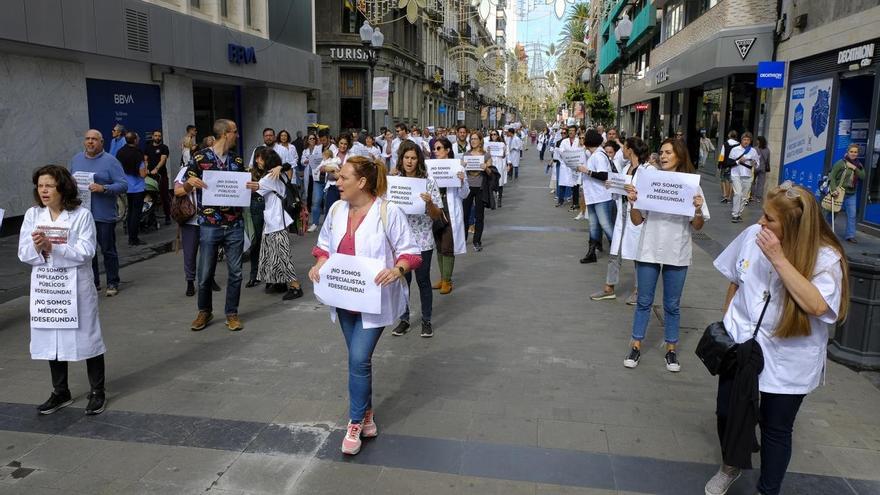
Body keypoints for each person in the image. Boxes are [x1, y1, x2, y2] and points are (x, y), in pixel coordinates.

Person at [704, 181, 848, 495]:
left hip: (788, 360)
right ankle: (731, 466)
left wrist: (779, 259)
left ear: (795, 226)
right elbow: (735, 280)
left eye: (769, 219)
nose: (760, 223)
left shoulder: (825, 258)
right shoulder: (750, 237)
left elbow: (818, 306)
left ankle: (767, 490)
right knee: (727, 413)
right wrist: (728, 325)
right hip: (741, 347)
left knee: (775, 428)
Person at [308, 155, 421, 456]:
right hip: (344, 299)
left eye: (343, 177)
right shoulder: (335, 209)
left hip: (375, 301)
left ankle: (355, 422)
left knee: (358, 359)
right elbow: (323, 246)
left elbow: (411, 253)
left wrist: (397, 270)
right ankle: (367, 413)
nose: (337, 182)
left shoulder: (388, 211)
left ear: (362, 182)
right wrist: (319, 264)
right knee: (359, 361)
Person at [18, 165, 108, 415]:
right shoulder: (33, 215)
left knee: (88, 337)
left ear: (63, 187)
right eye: (40, 186)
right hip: (48, 288)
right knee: (51, 337)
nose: (44, 190)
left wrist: (53, 247)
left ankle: (97, 391)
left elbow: (87, 251)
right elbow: (23, 253)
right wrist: (39, 248)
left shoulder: (81, 215)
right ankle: (60, 391)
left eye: (49, 185)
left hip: (76, 287)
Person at [624, 138, 709, 372]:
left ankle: (671, 350)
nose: (662, 156)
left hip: (677, 250)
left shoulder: (692, 185)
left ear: (680, 156)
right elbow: (637, 220)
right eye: (661, 152)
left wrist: (698, 208)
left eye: (668, 152)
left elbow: (698, 225)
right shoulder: (648, 180)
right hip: (649, 248)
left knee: (672, 304)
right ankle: (636, 345)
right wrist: (633, 203)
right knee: (644, 301)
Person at [185, 119, 260, 332]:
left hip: (234, 223)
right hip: (209, 223)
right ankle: (204, 311)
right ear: (226, 133)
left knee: (236, 272)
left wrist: (251, 187)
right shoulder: (200, 158)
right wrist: (192, 183)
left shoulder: (236, 160)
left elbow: (242, 187)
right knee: (206, 272)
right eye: (235, 131)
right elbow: (183, 188)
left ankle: (231, 313)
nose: (237, 135)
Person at [388, 141, 443, 338]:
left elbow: (437, 215)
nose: (410, 162)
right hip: (400, 241)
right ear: (401, 160)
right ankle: (404, 319)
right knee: (402, 281)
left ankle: (426, 320)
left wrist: (429, 203)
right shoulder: (394, 181)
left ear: (418, 160)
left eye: (413, 158)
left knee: (423, 280)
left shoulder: (428, 183)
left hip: (423, 240)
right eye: (406, 158)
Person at [590, 137, 651, 304]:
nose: (621, 151)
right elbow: (619, 191)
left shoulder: (648, 170)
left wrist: (633, 191)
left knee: (638, 254)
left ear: (630, 149)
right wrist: (614, 186)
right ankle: (609, 288)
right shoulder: (625, 169)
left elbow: (650, 195)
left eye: (623, 147)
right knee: (614, 251)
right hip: (622, 213)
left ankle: (639, 291)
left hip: (638, 216)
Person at [70, 129, 128, 297]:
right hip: (81, 215)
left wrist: (104, 188)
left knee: (107, 249)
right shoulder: (76, 159)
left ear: (101, 142)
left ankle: (112, 281)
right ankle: (92, 283)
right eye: (87, 139)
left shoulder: (111, 161)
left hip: (103, 214)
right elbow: (67, 181)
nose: (90, 142)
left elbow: (123, 185)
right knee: (88, 251)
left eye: (94, 139)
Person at [254, 148, 304, 300]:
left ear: (267, 160)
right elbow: (289, 166)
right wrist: (281, 166)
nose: (257, 161)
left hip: (276, 220)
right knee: (271, 253)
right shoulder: (278, 173)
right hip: (276, 219)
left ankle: (295, 286)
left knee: (281, 254)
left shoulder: (268, 178)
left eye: (260, 158)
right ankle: (279, 281)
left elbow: (255, 189)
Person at [430, 137, 469, 294]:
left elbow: (465, 194)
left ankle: (447, 280)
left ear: (447, 150)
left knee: (447, 246)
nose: (436, 151)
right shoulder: (430, 168)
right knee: (439, 246)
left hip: (450, 210)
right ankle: (442, 277)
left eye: (439, 148)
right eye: (434, 149)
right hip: (436, 210)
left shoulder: (457, 167)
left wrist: (461, 181)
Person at [578, 130, 614, 264]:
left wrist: (586, 171)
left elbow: (604, 175)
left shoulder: (599, 155)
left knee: (606, 225)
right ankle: (591, 252)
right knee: (593, 224)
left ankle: (617, 250)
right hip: (593, 196)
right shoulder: (594, 154)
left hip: (601, 196)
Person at [825, 143, 865, 244]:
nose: (853, 154)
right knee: (833, 213)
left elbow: (863, 176)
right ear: (847, 152)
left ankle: (850, 235)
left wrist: (854, 168)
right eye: (851, 151)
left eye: (855, 152)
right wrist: (833, 189)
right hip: (839, 192)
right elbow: (832, 176)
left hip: (851, 194)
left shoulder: (859, 165)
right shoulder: (840, 163)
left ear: (857, 153)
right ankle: (826, 232)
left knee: (852, 215)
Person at [462, 132, 495, 252]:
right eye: (471, 139)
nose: (473, 141)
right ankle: (463, 239)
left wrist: (486, 168)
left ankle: (477, 240)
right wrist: (462, 166)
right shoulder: (466, 155)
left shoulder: (486, 155)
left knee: (479, 215)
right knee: (465, 214)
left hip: (480, 187)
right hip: (468, 187)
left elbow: (492, 173)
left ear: (480, 140)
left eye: (475, 139)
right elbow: (460, 172)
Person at [116, 131, 148, 246]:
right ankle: (133, 238)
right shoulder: (138, 154)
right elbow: (143, 174)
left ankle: (130, 235)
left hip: (126, 186)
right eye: (138, 138)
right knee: (136, 213)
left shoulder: (120, 152)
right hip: (137, 187)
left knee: (130, 212)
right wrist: (146, 164)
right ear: (135, 140)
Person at [729, 132, 759, 223]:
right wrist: (739, 160)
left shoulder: (753, 151)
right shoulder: (735, 149)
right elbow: (729, 162)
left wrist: (755, 163)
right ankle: (734, 214)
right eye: (744, 139)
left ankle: (739, 213)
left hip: (748, 175)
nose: (746, 141)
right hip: (736, 174)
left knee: (744, 196)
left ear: (750, 141)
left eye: (748, 140)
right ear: (741, 140)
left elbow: (757, 164)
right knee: (738, 193)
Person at [143, 130, 172, 225]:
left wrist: (156, 168)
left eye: (159, 136)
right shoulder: (148, 147)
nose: (157, 137)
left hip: (161, 175)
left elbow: (163, 160)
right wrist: (146, 169)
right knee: (150, 196)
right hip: (150, 176)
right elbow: (145, 160)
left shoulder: (164, 148)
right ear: (152, 137)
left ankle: (168, 216)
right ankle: (151, 217)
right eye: (155, 135)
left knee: (164, 196)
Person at [325, 135, 349, 210]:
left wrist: (339, 174)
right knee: (330, 209)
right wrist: (332, 168)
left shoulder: (351, 155)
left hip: (345, 187)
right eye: (341, 143)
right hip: (332, 186)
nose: (343, 146)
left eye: (345, 144)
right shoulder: (332, 153)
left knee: (342, 210)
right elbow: (323, 167)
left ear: (348, 145)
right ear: (338, 143)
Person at [302, 134, 320, 232]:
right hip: (308, 174)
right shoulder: (305, 150)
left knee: (315, 194)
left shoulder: (318, 148)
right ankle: (308, 212)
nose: (312, 140)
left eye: (313, 138)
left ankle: (316, 212)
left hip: (316, 174)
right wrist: (305, 161)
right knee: (308, 194)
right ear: (308, 140)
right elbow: (301, 161)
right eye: (310, 139)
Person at [488, 130, 509, 207]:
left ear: (497, 135)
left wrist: (503, 152)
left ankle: (499, 198)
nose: (493, 136)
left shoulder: (502, 144)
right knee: (491, 181)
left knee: (500, 182)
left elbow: (504, 156)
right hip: (491, 163)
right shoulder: (488, 144)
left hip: (499, 164)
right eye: (492, 134)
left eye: (495, 134)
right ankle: (492, 198)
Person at [719, 130, 739, 203]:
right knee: (732, 181)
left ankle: (725, 194)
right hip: (734, 165)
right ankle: (730, 196)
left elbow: (722, 155)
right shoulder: (738, 144)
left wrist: (719, 164)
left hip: (725, 164)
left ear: (729, 135)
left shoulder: (725, 144)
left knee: (723, 179)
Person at [751, 136, 770, 204]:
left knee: (752, 181)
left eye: (757, 140)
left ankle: (752, 195)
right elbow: (768, 160)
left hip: (755, 167)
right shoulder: (767, 150)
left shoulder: (755, 149)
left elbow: (752, 159)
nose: (756, 141)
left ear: (759, 141)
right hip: (763, 168)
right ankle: (759, 197)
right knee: (761, 183)